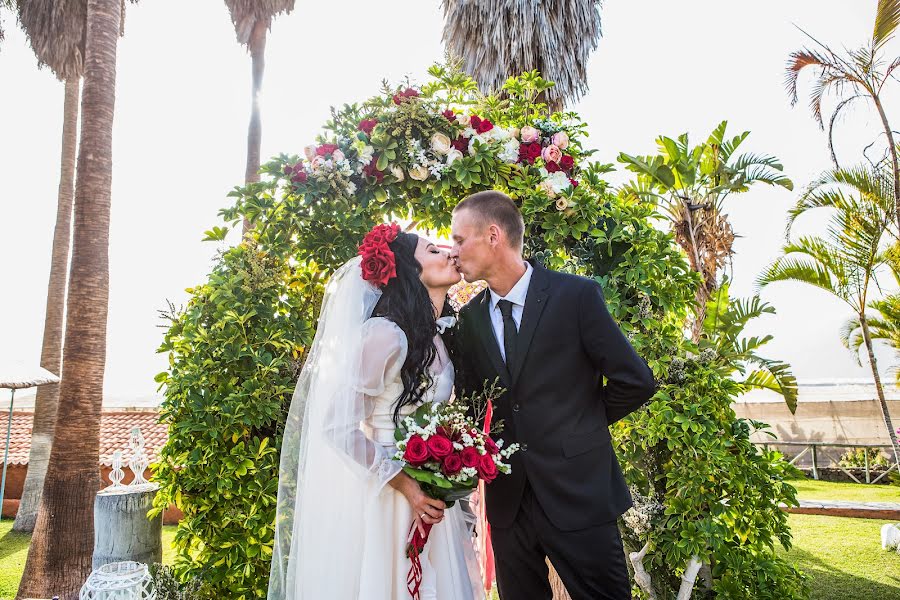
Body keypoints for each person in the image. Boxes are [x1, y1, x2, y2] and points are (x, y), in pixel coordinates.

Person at [450, 190, 657, 600]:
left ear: (493, 235)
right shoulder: (469, 319)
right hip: (509, 503)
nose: (453, 251)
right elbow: (474, 405)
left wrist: (578, 425)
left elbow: (636, 381)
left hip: (579, 491)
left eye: (459, 239)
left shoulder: (575, 296)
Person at [268, 223, 484, 600]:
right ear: (406, 271)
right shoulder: (385, 334)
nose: (450, 251)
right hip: (392, 493)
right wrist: (407, 485)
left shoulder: (438, 335)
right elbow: (337, 427)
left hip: (429, 491)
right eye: (433, 250)